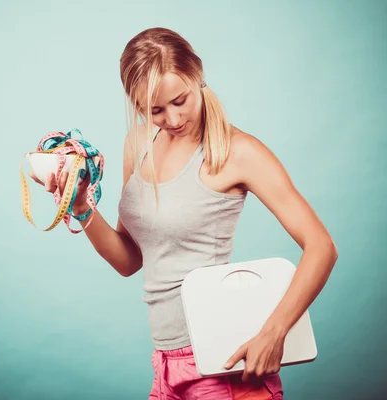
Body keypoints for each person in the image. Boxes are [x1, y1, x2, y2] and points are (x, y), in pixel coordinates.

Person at [29, 27, 338, 400]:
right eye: (154, 110)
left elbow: (321, 246)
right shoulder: (138, 143)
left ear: (197, 76)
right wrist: (80, 206)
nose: (173, 119)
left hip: (223, 365)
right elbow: (129, 260)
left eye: (180, 100)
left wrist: (275, 332)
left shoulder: (239, 152)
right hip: (166, 365)